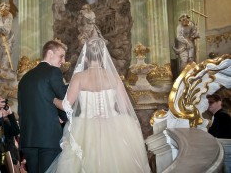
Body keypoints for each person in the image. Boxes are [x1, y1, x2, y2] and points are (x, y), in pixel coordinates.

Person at [48, 37, 151, 172]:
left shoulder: (79, 77)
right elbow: (124, 106)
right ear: (103, 56)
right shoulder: (114, 77)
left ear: (85, 57)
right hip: (115, 127)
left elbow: (66, 106)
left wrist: (53, 99)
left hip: (84, 128)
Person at [18, 40, 68, 173]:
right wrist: (77, 85)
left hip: (28, 139)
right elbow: (65, 98)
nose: (63, 61)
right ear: (50, 53)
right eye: (61, 56)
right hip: (48, 138)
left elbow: (22, 109)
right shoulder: (53, 72)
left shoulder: (25, 78)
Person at [0, 107, 20, 172]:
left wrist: (11, 114)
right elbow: (16, 131)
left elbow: (16, 131)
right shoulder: (1, 123)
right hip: (4, 158)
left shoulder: (6, 123)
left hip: (10, 158)